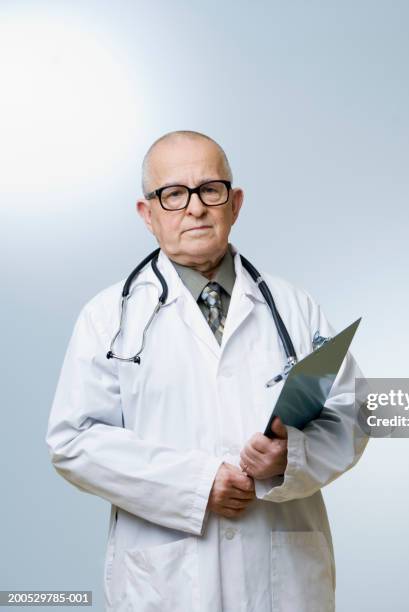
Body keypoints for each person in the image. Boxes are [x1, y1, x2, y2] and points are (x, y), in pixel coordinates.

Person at [45, 130, 369, 612]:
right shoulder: (108, 317)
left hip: (282, 579)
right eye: (173, 194)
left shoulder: (293, 307)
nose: (194, 208)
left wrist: (289, 459)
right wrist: (196, 484)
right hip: (166, 582)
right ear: (147, 214)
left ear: (234, 203)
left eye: (209, 190)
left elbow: (353, 415)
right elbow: (73, 441)